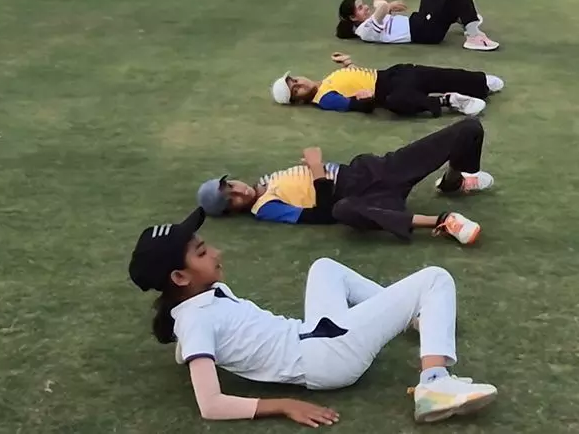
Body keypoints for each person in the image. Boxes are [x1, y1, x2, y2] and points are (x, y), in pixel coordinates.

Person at [128, 209, 497, 425]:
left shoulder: (196, 304)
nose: (216, 252)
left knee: (325, 267)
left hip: (312, 336)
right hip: (327, 358)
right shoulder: (195, 321)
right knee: (435, 279)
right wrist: (283, 406)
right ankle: (434, 385)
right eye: (202, 253)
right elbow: (211, 405)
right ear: (180, 278)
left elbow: (190, 339)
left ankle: (418, 315)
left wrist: (187, 347)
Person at [196, 118, 494, 243]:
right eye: (230, 199)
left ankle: (453, 181)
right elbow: (323, 214)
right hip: (362, 199)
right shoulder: (264, 208)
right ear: (231, 211)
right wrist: (316, 168)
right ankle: (443, 221)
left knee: (469, 128)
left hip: (372, 171)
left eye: (230, 185)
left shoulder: (268, 180)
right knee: (343, 211)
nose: (237, 191)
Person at [270, 52, 502, 118]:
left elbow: (354, 79)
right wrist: (366, 100)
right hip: (388, 89)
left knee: (438, 75)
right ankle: (450, 101)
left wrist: (349, 64)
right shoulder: (324, 99)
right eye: (295, 89)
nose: (299, 83)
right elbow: (355, 104)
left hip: (392, 74)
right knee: (397, 101)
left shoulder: (326, 81)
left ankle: (480, 83)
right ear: (298, 100)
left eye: (295, 80)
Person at [336, 0, 499, 50]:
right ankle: (473, 36)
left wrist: (387, 8)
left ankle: (460, 14)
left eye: (363, 4)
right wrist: (378, 2)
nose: (366, 7)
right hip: (424, 31)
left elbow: (385, 14)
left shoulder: (368, 24)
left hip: (419, 22)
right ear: (353, 18)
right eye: (360, 8)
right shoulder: (365, 30)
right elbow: (383, 7)